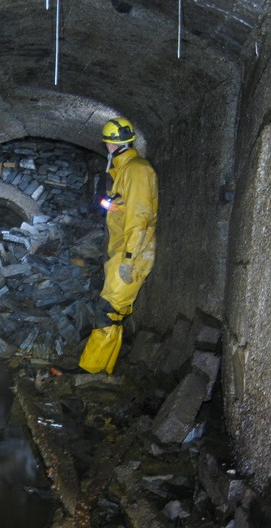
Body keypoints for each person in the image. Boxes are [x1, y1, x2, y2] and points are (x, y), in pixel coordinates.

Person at [79, 117, 159, 375]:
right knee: (115, 314)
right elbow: (125, 208)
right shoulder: (125, 171)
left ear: (111, 145)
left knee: (107, 312)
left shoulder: (137, 170)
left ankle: (90, 371)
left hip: (131, 255)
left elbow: (139, 218)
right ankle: (104, 370)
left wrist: (127, 260)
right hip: (122, 253)